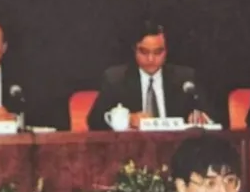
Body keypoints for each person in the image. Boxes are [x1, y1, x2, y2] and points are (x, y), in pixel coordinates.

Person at [87, 21, 215, 130]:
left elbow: (211, 115)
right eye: (144, 52)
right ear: (134, 50)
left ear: (166, 51)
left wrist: (202, 118)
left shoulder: (185, 79)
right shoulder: (116, 79)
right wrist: (127, 119)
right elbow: (95, 121)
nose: (151, 59)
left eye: (158, 52)